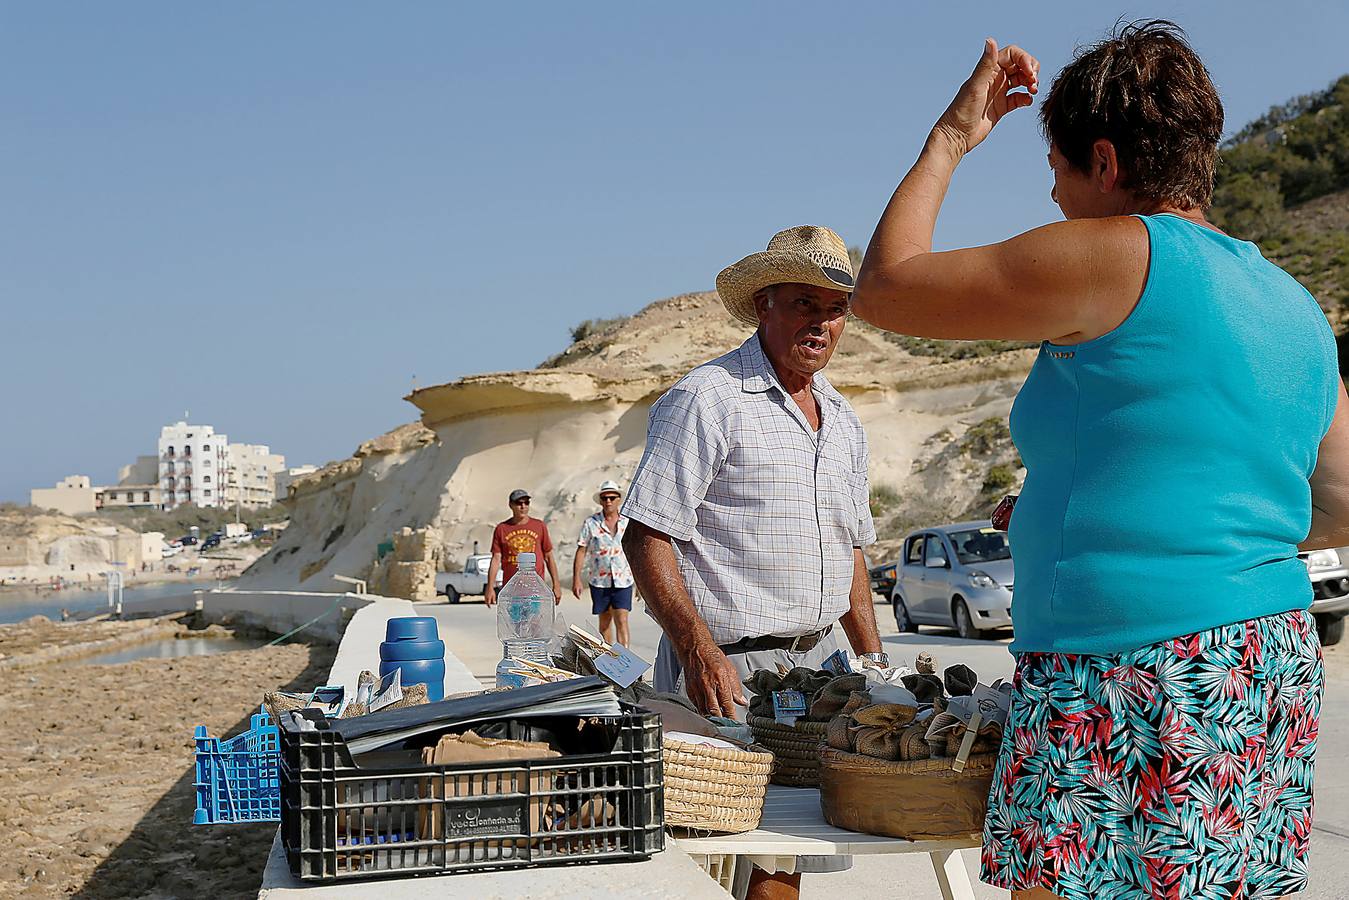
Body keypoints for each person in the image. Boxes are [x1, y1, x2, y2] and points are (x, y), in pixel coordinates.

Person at [850, 21, 1345, 900]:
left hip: (1127, 667)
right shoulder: (1291, 305)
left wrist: (951, 137)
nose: (1053, 197)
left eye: (1058, 174)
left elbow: (887, 287)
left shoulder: (1117, 249)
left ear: (1105, 161)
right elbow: (1341, 500)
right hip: (1262, 664)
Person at [623, 224, 886, 899]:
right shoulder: (706, 399)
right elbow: (647, 533)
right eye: (803, 303)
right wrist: (696, 648)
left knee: (788, 854)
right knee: (709, 852)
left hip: (819, 670)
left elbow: (850, 546)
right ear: (763, 303)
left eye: (834, 309)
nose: (821, 324)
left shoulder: (841, 417)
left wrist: (873, 664)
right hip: (725, 668)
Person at [571, 480, 634, 646]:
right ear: (600, 501)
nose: (608, 501)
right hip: (599, 580)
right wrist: (576, 578)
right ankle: (609, 663)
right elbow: (581, 550)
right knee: (605, 622)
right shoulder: (591, 523)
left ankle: (625, 662)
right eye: (605, 498)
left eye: (612, 497)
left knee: (622, 619)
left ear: (619, 499)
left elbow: (636, 552)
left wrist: (641, 582)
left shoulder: (627, 523)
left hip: (623, 579)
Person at [484, 488, 562, 607]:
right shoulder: (502, 529)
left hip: (535, 589)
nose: (523, 506)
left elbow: (549, 556)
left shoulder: (539, 526)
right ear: (511, 505)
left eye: (526, 503)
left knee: (536, 623)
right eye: (519, 503)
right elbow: (496, 559)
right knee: (514, 624)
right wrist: (490, 587)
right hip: (512, 589)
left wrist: (556, 585)